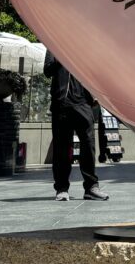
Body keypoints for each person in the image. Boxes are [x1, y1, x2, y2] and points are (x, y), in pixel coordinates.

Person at [44, 51, 108, 202]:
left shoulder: (82, 45)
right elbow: (48, 70)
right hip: (61, 103)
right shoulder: (53, 44)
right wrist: (62, 52)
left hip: (83, 103)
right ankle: (61, 189)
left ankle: (91, 187)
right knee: (62, 148)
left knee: (89, 144)